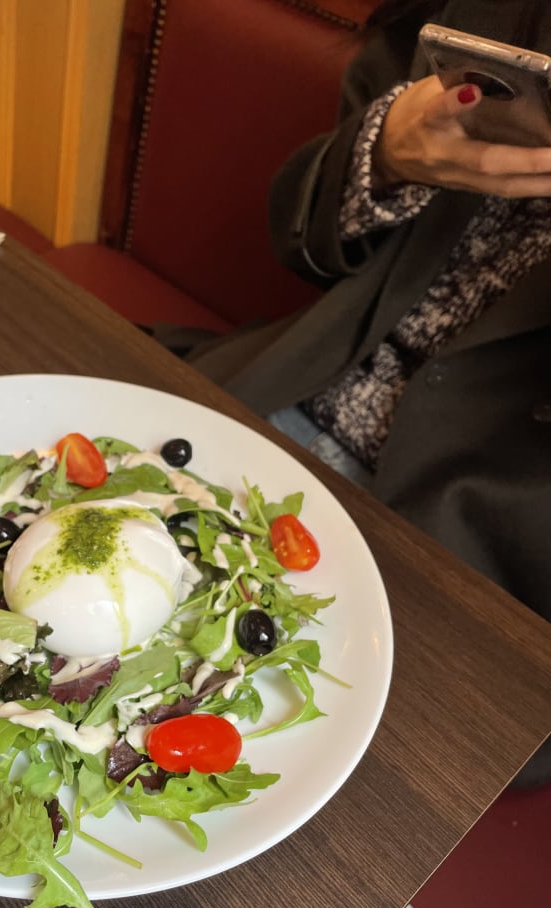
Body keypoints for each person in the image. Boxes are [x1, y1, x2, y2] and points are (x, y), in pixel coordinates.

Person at [179, 0, 551, 788]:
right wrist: (382, 157)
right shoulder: (487, 17)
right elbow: (301, 241)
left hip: (465, 554)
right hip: (283, 399)